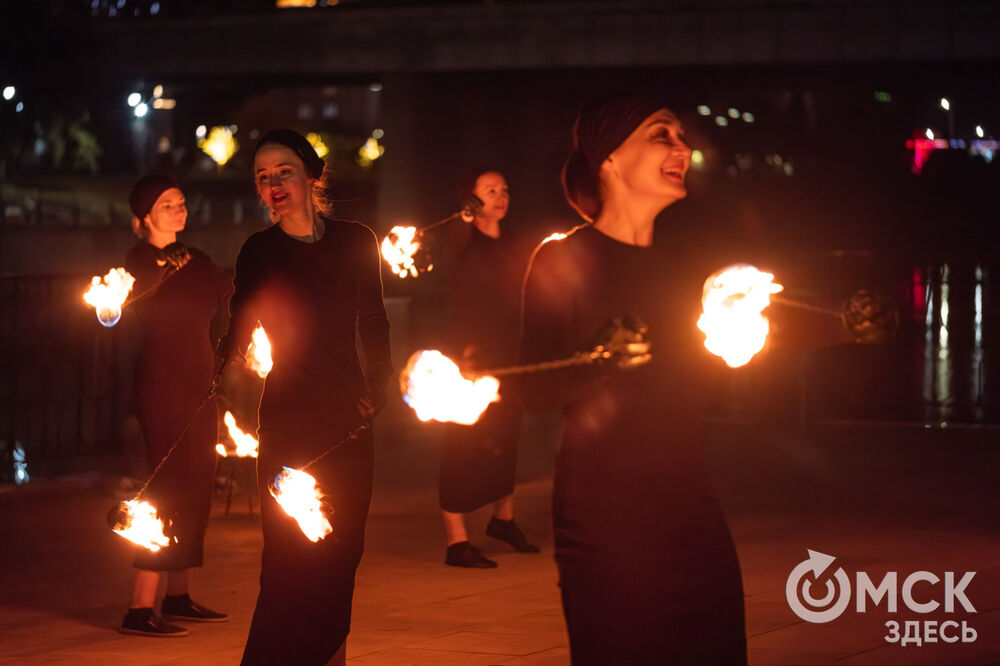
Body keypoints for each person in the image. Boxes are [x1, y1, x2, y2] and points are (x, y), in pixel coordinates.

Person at [517, 97, 747, 664]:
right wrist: (599, 361)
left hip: (692, 511)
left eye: (681, 136)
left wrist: (843, 325)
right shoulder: (562, 261)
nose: (682, 147)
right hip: (604, 521)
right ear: (610, 160)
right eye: (659, 135)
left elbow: (757, 337)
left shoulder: (691, 268)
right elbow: (532, 390)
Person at [217, 129, 392, 666]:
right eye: (262, 177)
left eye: (284, 171)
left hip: (346, 421)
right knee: (291, 564)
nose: (273, 184)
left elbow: (374, 321)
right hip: (288, 423)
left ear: (313, 175)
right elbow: (238, 321)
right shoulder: (259, 252)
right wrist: (224, 362)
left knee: (340, 556)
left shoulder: (356, 239)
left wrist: (379, 385)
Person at [120, 174, 232, 637]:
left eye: (182, 201)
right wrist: (164, 265)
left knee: (197, 485)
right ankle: (139, 607)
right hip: (163, 386)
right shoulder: (139, 261)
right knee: (165, 487)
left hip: (200, 386)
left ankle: (179, 594)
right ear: (145, 217)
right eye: (167, 204)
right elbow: (131, 296)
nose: (178, 209)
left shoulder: (199, 261)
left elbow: (229, 296)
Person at [436, 169, 539, 568]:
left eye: (504, 189)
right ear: (472, 199)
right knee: (462, 443)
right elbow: (457, 236)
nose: (500, 196)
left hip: (509, 354)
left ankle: (503, 520)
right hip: (468, 356)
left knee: (505, 436)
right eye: (489, 190)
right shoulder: (461, 241)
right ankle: (456, 541)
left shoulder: (514, 244)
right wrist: (465, 215)